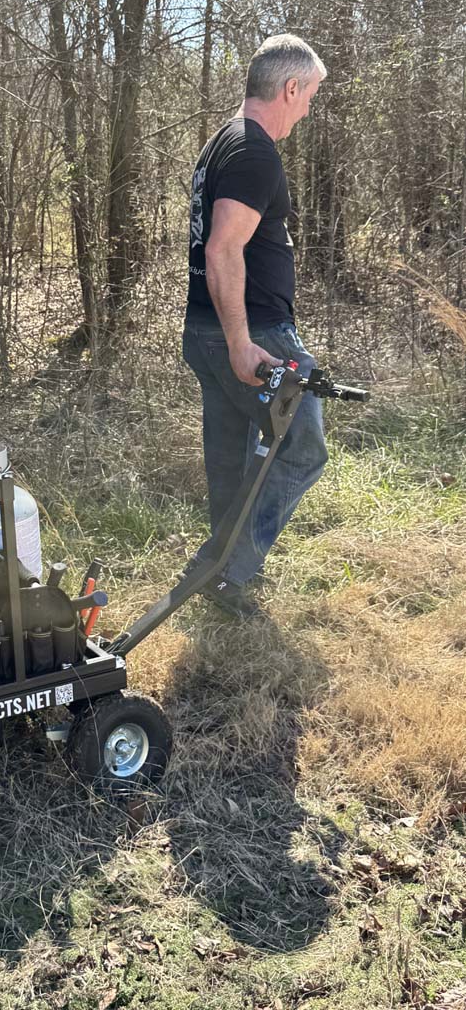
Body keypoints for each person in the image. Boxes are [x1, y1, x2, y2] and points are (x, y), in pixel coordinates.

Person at [182, 33, 328, 617]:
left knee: (232, 454)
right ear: (289, 88)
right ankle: (229, 571)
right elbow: (221, 250)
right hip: (250, 334)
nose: (310, 107)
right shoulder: (253, 152)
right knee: (301, 447)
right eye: (310, 94)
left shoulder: (223, 143)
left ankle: (215, 569)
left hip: (205, 331)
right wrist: (243, 344)